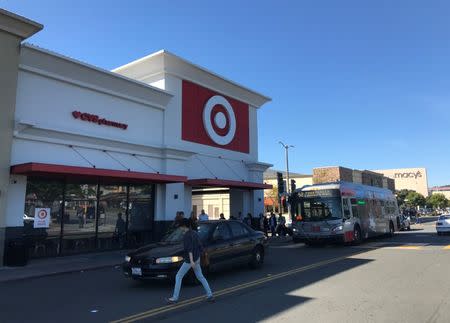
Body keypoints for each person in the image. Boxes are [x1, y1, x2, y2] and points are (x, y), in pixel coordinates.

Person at [167, 219, 214, 303]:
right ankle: (210, 294)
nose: (180, 228)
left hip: (190, 260)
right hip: (197, 258)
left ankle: (175, 297)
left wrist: (191, 261)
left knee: (178, 276)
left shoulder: (186, 236)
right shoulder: (195, 233)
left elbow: (189, 249)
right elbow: (200, 246)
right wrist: (199, 257)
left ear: (184, 226)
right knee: (200, 277)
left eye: (181, 226)